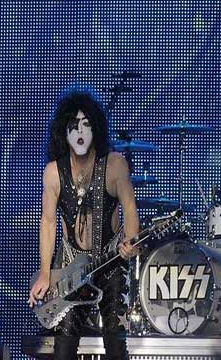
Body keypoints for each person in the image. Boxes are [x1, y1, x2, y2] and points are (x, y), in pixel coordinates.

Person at [27, 86, 140, 360]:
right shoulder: (53, 172)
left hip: (110, 262)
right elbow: (48, 221)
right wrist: (45, 273)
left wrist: (131, 241)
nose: (80, 132)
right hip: (71, 267)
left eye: (86, 124)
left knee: (115, 340)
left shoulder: (114, 165)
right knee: (64, 346)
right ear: (63, 132)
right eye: (73, 125)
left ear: (96, 129)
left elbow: (129, 208)